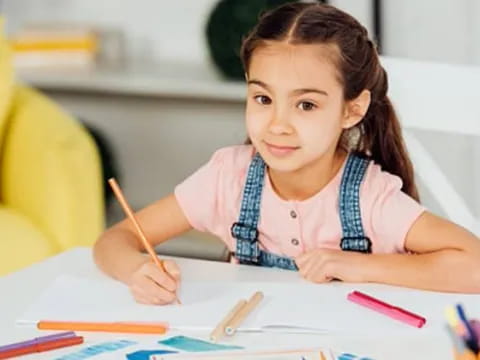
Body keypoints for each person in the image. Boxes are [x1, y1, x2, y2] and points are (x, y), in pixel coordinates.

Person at [93, 2, 480, 305]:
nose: (278, 125)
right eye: (263, 98)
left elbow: (475, 266)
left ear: (352, 110)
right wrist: (138, 269)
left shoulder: (368, 198)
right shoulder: (228, 178)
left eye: (306, 105)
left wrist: (359, 265)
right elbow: (116, 239)